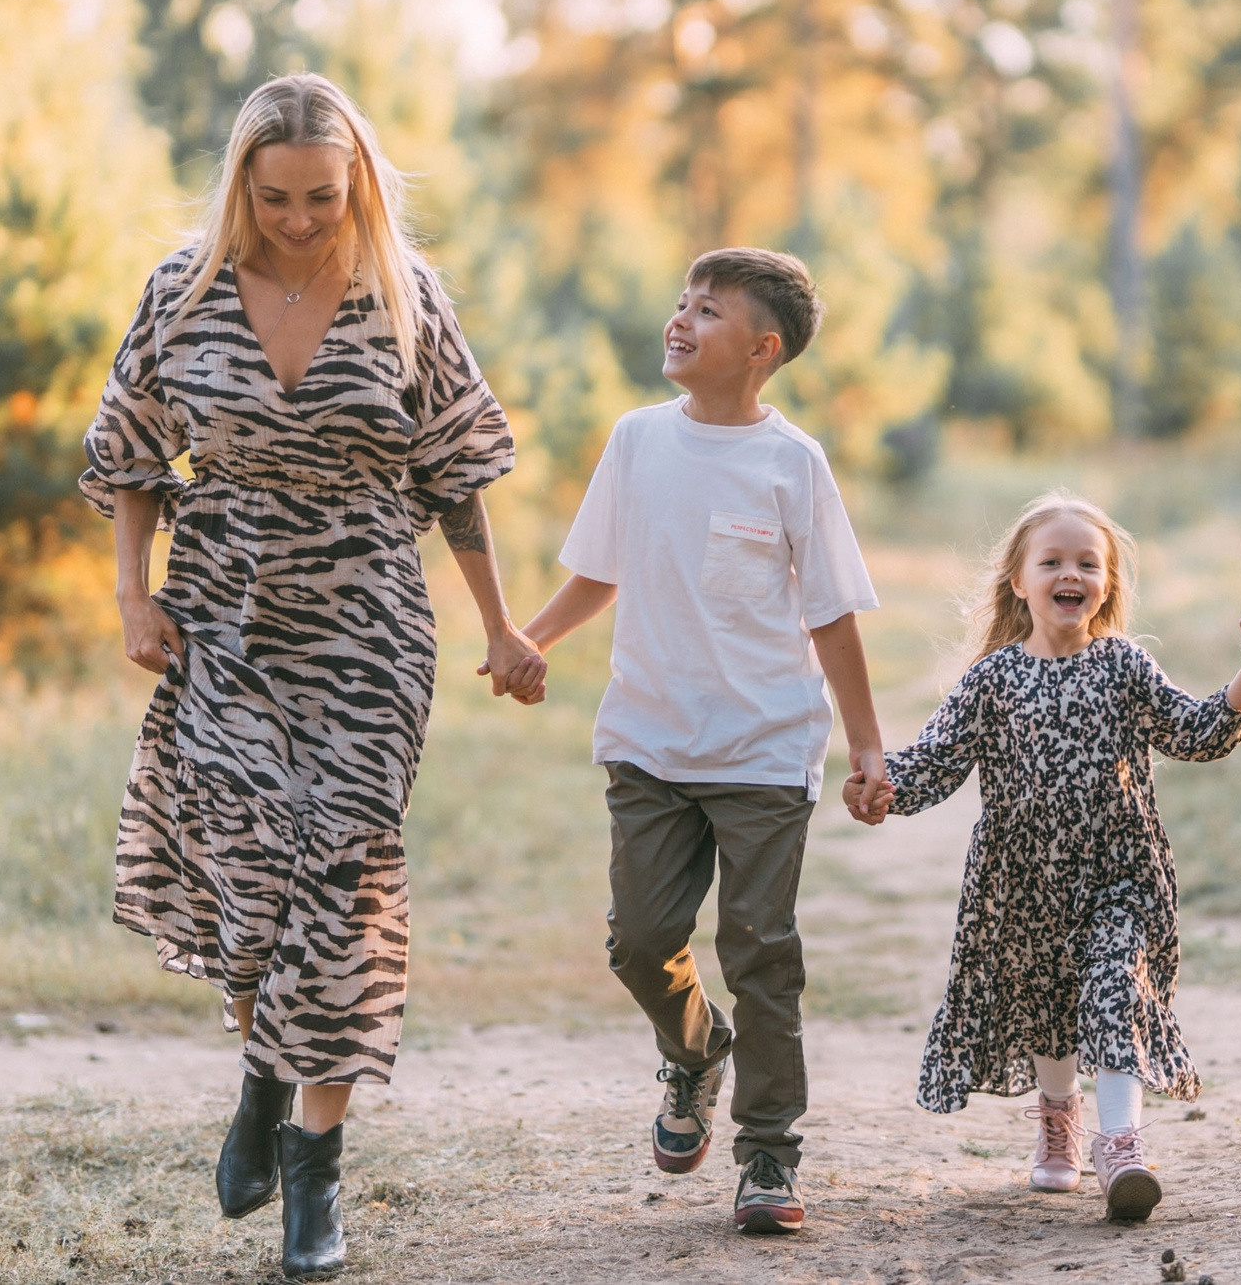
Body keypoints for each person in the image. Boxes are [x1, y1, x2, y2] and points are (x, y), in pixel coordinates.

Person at [81, 73, 544, 1280]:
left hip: (367, 628)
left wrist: (499, 626)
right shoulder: (180, 293)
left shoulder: (403, 295)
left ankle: (314, 1176)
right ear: (242, 182)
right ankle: (260, 1075)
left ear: (361, 186)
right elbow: (129, 452)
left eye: (323, 198)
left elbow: (454, 474)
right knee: (244, 873)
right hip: (224, 619)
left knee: (344, 874)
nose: (298, 218)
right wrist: (134, 595)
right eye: (277, 197)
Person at [518, 247, 886, 1238]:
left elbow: (833, 616)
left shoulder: (792, 463)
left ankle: (767, 1152)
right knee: (639, 942)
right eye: (680, 302)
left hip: (765, 751)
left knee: (761, 951)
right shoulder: (638, 441)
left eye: (708, 311)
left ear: (761, 349)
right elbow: (600, 570)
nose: (680, 320)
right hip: (648, 742)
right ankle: (693, 1054)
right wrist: (530, 639)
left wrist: (866, 747)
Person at [856, 491, 1241, 1223]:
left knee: (1114, 988)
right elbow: (932, 764)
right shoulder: (992, 679)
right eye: (1051, 561)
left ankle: (1122, 1144)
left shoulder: (1123, 665)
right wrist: (878, 787)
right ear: (1019, 580)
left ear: (1106, 582)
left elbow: (1198, 731)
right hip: (1022, 881)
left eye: (1088, 561)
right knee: (1049, 1006)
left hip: (1120, 872)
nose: (1070, 572)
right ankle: (1059, 1119)